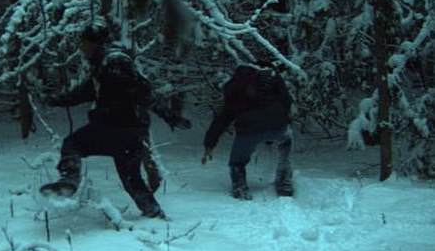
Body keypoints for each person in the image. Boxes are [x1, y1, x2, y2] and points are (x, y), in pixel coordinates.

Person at [43, 21, 191, 218]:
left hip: (116, 127)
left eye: (84, 43)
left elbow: (141, 91)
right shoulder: (103, 64)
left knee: (73, 144)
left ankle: (69, 181)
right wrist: (55, 100)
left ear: (94, 43)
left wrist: (168, 116)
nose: (81, 48)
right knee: (132, 179)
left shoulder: (115, 62)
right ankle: (154, 214)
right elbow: (85, 92)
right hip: (129, 132)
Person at [201, 63, 294, 200]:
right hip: (278, 126)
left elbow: (223, 118)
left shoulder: (234, 87)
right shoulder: (272, 79)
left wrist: (209, 144)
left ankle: (240, 187)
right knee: (286, 140)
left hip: (249, 131)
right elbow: (287, 101)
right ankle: (284, 180)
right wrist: (284, 119)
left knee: (237, 162)